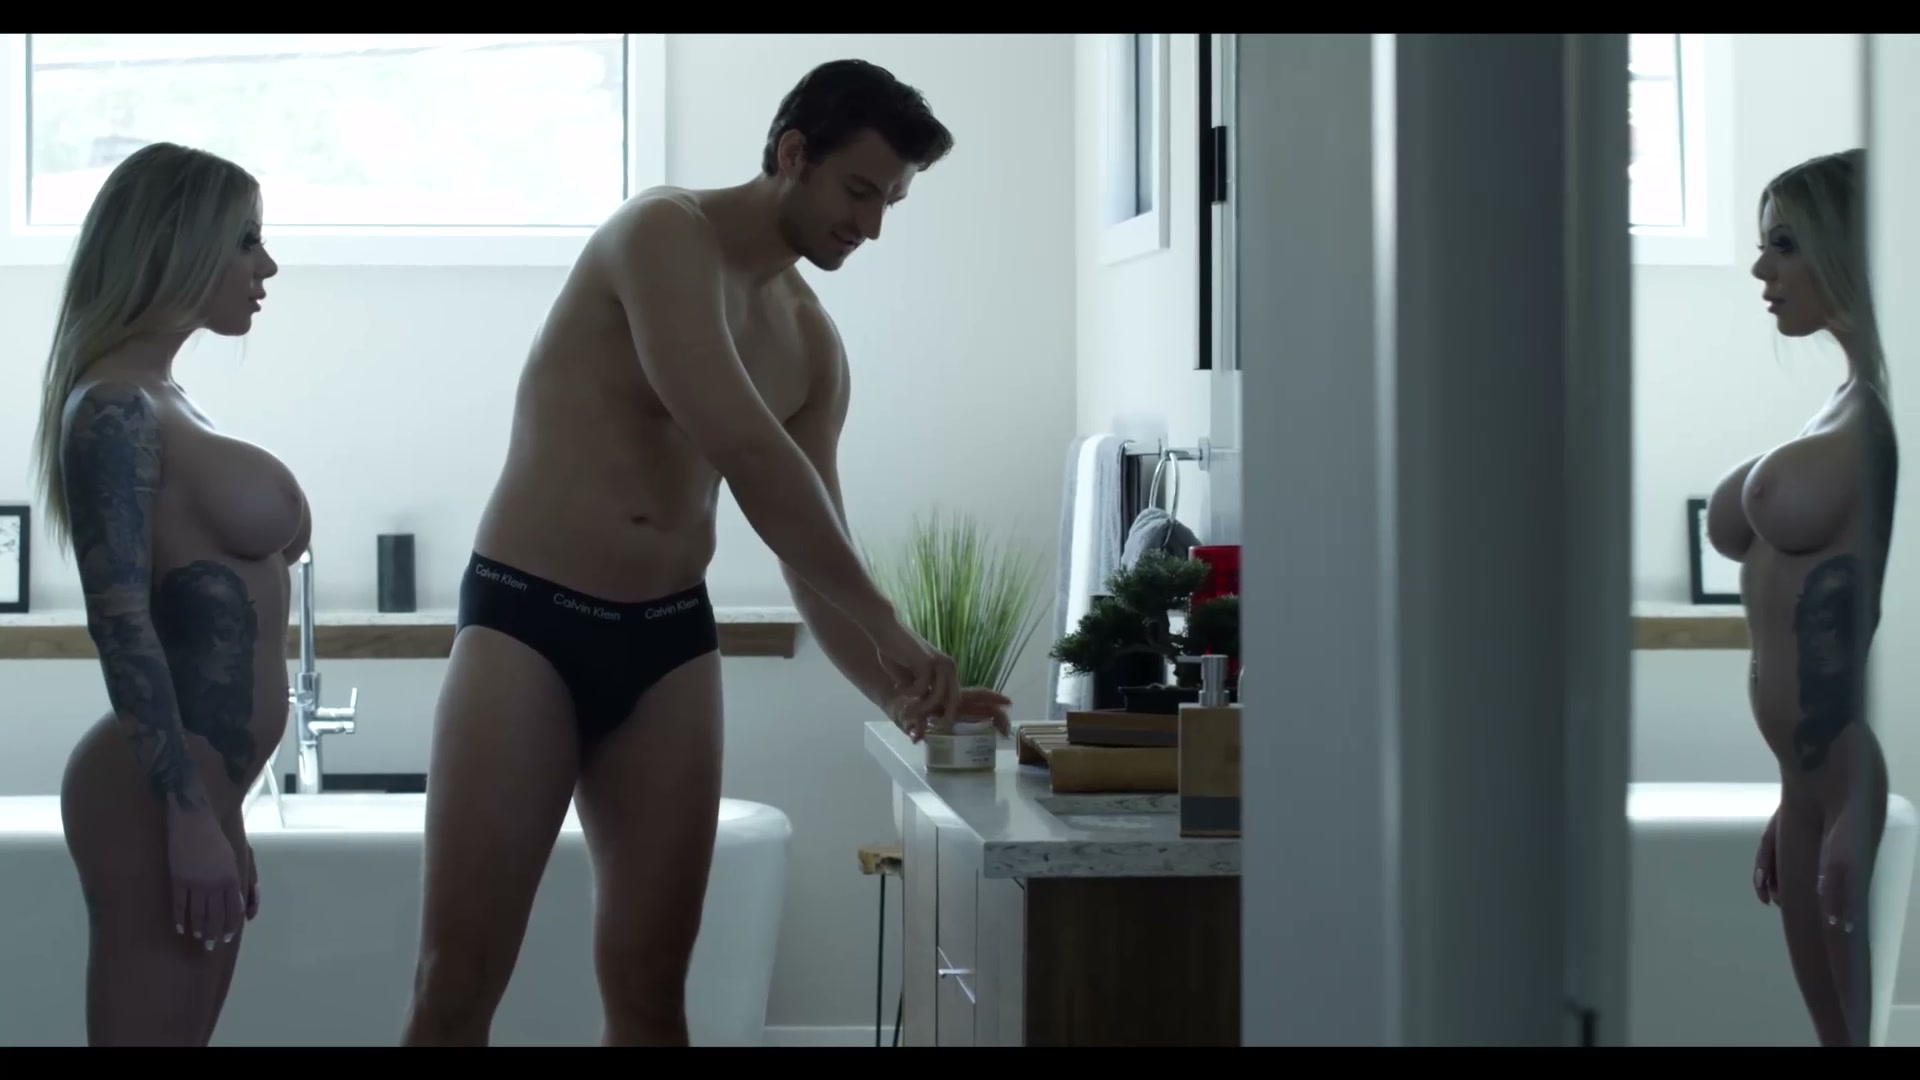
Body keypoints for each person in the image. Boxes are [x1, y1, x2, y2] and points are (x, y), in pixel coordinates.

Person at [400, 59, 1012, 1048]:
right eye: (859, 191)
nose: (871, 226)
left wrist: (901, 689)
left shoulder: (811, 343)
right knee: (456, 982)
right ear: (792, 154)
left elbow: (813, 552)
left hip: (668, 643)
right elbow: (743, 448)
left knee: (652, 995)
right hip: (528, 622)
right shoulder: (661, 235)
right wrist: (896, 629)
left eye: (891, 203)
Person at [31, 142, 298, 1046]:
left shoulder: (162, 398)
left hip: (190, 791)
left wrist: (223, 810)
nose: (266, 266)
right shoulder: (115, 408)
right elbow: (120, 621)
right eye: (246, 240)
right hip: (150, 794)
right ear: (177, 245)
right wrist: (188, 814)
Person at [1706, 148, 1894, 1047]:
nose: (1761, 270)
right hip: (1809, 783)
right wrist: (1796, 797)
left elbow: (1878, 616)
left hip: (1847, 779)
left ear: (1846, 250)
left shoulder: (1883, 421)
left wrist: (1854, 803)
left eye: (1784, 244)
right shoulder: (1846, 402)